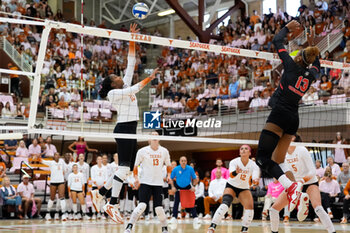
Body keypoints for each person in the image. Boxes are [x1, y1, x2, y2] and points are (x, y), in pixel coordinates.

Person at [91, 23, 158, 223]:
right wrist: (149, 79)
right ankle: (111, 203)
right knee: (124, 169)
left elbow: (130, 62)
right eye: (117, 77)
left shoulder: (124, 83)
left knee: (125, 170)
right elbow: (133, 91)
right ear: (112, 83)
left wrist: (131, 38)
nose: (121, 77)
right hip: (123, 129)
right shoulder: (113, 93)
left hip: (131, 128)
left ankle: (101, 193)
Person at [255, 20, 321, 212]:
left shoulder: (291, 66)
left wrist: (288, 28)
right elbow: (317, 62)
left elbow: (277, 41)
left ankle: (292, 187)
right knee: (277, 160)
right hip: (294, 118)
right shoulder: (311, 75)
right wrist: (311, 44)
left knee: (262, 158)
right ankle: (295, 192)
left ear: (299, 57)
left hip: (280, 114)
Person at [269, 135, 335, 233]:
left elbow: (312, 172)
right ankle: (274, 231)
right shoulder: (283, 154)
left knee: (318, 208)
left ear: (295, 138)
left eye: (290, 136)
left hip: (309, 182)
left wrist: (302, 182)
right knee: (273, 210)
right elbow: (286, 173)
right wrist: (294, 185)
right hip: (295, 184)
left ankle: (332, 232)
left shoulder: (302, 150)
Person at [124, 132, 171, 233]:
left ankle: (164, 228)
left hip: (158, 183)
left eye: (156, 135)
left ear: (159, 139)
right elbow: (135, 166)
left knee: (158, 208)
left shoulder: (164, 151)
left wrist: (169, 175)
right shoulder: (142, 151)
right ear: (149, 139)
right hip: (145, 182)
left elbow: (168, 165)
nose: (154, 137)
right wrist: (136, 178)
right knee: (142, 205)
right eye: (152, 135)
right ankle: (129, 226)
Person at [207, 145, 259, 233]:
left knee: (250, 208)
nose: (243, 150)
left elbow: (255, 179)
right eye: (241, 149)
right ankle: (212, 227)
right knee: (225, 205)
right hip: (231, 185)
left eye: (246, 149)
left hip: (244, 188)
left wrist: (255, 181)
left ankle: (244, 230)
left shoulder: (254, 165)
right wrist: (236, 172)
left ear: (249, 153)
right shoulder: (234, 162)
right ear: (239, 152)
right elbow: (231, 175)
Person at [169, 156, 199, 225]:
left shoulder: (190, 168)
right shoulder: (176, 169)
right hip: (178, 187)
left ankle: (195, 217)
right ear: (179, 162)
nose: (183, 162)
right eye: (182, 161)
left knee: (191, 202)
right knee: (176, 202)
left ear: (186, 162)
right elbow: (171, 178)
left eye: (185, 161)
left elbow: (195, 178)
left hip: (188, 187)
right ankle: (174, 217)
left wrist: (194, 186)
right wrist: (173, 187)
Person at [39, 152, 68, 221]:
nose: (57, 156)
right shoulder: (51, 162)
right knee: (52, 198)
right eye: (55, 155)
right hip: (53, 182)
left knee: (62, 197)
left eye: (58, 155)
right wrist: (38, 157)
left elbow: (65, 170)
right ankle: (47, 213)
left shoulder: (62, 162)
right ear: (54, 156)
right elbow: (42, 161)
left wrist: (62, 176)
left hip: (61, 181)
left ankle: (63, 214)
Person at [91, 155, 108, 219]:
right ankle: (95, 213)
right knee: (95, 200)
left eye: (101, 159)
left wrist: (102, 186)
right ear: (96, 161)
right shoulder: (93, 168)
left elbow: (106, 178)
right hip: (95, 186)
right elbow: (93, 178)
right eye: (98, 159)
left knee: (102, 200)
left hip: (103, 186)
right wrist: (97, 185)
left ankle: (102, 213)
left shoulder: (105, 168)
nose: (100, 160)